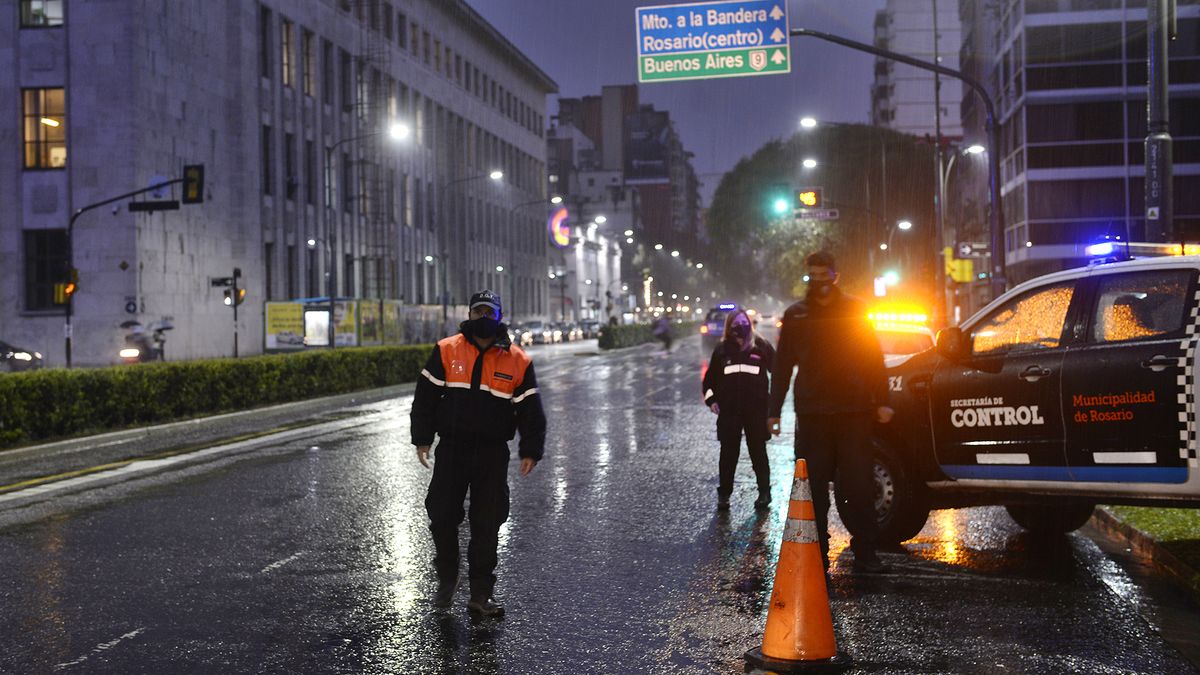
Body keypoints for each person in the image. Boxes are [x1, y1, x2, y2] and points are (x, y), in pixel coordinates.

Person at [411, 290, 547, 616]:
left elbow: (530, 410)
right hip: (453, 449)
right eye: (478, 312)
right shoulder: (447, 350)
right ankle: (448, 576)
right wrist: (422, 439)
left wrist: (531, 449)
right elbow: (425, 399)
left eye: (490, 313)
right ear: (469, 314)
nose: (483, 318)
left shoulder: (517, 360)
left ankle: (480, 594)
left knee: (487, 522)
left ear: (499, 317)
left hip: (491, 453)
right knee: (441, 514)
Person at [768, 251, 894, 574]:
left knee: (858, 486)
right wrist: (773, 411)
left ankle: (866, 553)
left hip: (853, 411)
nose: (819, 282)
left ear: (835, 276)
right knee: (814, 489)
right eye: (813, 276)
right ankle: (817, 556)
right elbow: (782, 367)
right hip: (813, 415)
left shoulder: (855, 310)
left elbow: (872, 357)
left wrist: (882, 400)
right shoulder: (795, 316)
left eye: (824, 275)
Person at [702, 307, 775, 511]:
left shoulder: (761, 346)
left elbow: (778, 371)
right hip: (729, 411)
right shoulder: (722, 350)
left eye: (743, 323)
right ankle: (724, 495)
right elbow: (709, 382)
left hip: (756, 410)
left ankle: (764, 492)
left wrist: (772, 403)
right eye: (735, 324)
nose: (740, 327)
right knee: (728, 454)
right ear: (729, 327)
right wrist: (712, 401)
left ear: (749, 324)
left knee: (758, 452)